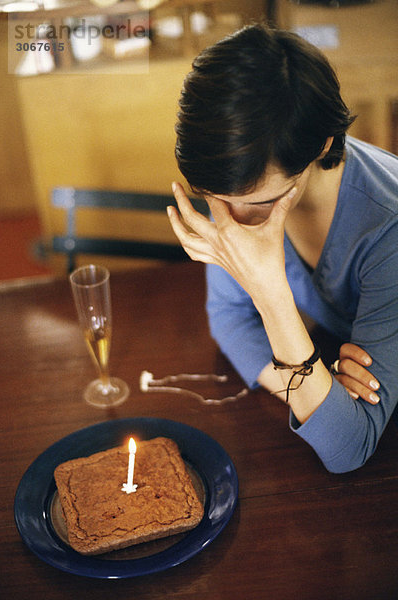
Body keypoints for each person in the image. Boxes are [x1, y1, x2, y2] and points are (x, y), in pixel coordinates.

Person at [167, 23, 398, 473]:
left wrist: (270, 294)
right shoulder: (240, 193)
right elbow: (228, 317)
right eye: (216, 199)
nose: (230, 223)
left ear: (321, 146)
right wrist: (317, 387)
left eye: (258, 203)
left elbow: (350, 446)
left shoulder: (387, 228)